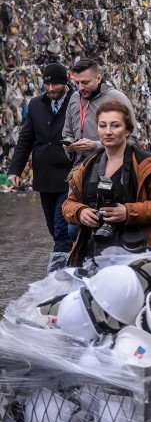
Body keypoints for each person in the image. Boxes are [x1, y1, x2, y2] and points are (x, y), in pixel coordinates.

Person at [62, 101, 151, 266]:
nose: (108, 132)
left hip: (139, 254)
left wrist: (128, 212)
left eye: (115, 126)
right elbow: (68, 204)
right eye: (103, 126)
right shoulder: (87, 167)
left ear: (128, 130)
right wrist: (80, 212)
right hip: (95, 252)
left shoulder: (145, 165)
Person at [7, 63, 74, 272]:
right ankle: (74, 258)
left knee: (62, 229)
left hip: (68, 175)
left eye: (56, 83)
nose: (52, 88)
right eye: (48, 83)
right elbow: (26, 139)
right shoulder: (36, 104)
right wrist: (15, 170)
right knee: (54, 228)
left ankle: (57, 276)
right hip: (44, 177)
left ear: (66, 82)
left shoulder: (76, 102)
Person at [63, 58, 137, 166]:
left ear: (98, 78)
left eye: (85, 82)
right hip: (80, 169)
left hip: (110, 168)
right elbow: (68, 133)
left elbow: (132, 139)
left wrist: (95, 145)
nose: (80, 88)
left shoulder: (117, 98)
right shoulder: (74, 98)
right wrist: (69, 144)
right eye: (77, 83)